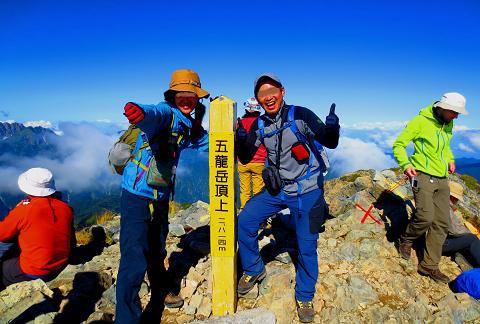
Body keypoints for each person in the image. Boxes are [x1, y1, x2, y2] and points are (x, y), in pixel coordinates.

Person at [235, 73, 340, 323]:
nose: (268, 97)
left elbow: (329, 141)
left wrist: (333, 128)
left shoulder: (300, 114)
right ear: (258, 99)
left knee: (306, 246)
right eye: (262, 94)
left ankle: (304, 295)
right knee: (246, 221)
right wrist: (240, 141)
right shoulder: (261, 124)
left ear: (282, 91)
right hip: (278, 190)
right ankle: (254, 268)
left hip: (308, 191)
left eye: (272, 91)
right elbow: (248, 156)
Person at [116, 69, 209, 324]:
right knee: (134, 256)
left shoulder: (189, 123)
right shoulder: (165, 112)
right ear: (173, 95)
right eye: (182, 94)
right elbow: (151, 114)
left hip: (159, 194)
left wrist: (236, 142)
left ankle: (160, 288)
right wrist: (138, 111)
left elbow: (209, 144)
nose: (187, 98)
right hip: (136, 194)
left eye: (192, 94)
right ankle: (126, 318)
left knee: (157, 245)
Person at [393, 92, 468, 283]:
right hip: (422, 175)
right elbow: (399, 145)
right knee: (425, 216)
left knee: (442, 223)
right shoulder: (420, 121)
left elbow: (446, 147)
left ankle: (429, 266)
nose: (456, 116)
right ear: (443, 107)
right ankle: (406, 239)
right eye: (454, 112)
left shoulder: (448, 123)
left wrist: (450, 160)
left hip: (442, 178)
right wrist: (406, 165)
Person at [0, 168, 74, 290]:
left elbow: (2, 235)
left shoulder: (24, 210)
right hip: (61, 263)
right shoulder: (66, 208)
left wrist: (16, 211)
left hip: (35, 270)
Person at [442, 181, 480, 269]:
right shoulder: (445, 207)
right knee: (471, 239)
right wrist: (469, 234)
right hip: (439, 244)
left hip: (435, 240)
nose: (457, 200)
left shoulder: (438, 202)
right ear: (451, 196)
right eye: (456, 197)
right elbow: (454, 231)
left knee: (469, 240)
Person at [237, 97, 267, 209]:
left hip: (242, 161)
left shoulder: (239, 123)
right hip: (259, 161)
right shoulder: (262, 122)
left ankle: (244, 212)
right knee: (258, 191)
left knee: (244, 191)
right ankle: (257, 214)